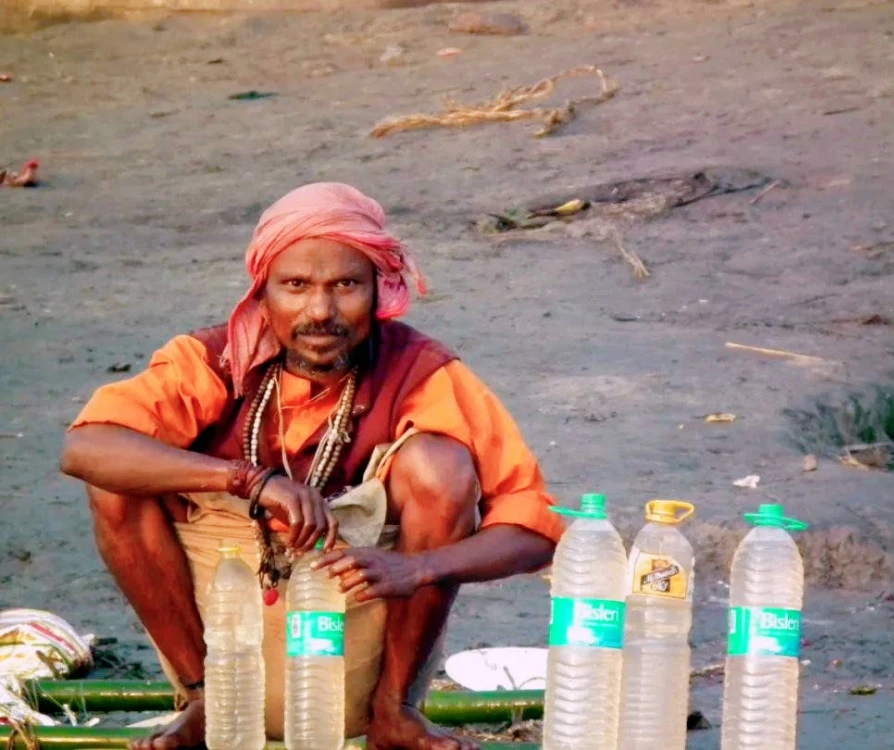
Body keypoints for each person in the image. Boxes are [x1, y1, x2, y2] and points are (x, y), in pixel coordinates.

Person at [61, 183, 565, 750]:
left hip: (357, 654)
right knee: (116, 478)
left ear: (379, 290)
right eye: (296, 286)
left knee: (439, 465)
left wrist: (421, 568)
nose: (320, 312)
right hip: (220, 643)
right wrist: (249, 480)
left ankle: (395, 713)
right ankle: (203, 702)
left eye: (346, 285)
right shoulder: (211, 361)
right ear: (262, 293)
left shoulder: (420, 371)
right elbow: (84, 448)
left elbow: (534, 525)